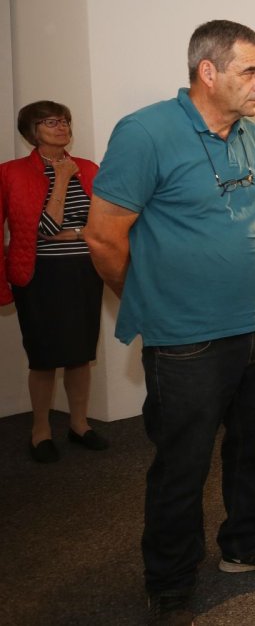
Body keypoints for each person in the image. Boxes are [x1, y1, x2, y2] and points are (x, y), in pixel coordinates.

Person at [86, 20, 255, 624]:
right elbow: (103, 237)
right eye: (250, 70)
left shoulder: (253, 135)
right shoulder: (145, 132)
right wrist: (148, 301)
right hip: (187, 337)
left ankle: (244, 544)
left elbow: (246, 221)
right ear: (208, 71)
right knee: (183, 464)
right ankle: (170, 576)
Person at [1, 101, 107, 463]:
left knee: (80, 355)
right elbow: (46, 229)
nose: (61, 127)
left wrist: (75, 233)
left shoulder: (89, 169)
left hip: (83, 272)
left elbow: (102, 224)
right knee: (44, 358)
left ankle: (79, 425)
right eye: (51, 122)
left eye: (64, 121)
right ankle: (40, 430)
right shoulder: (11, 173)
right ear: (32, 131)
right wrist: (61, 178)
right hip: (39, 276)